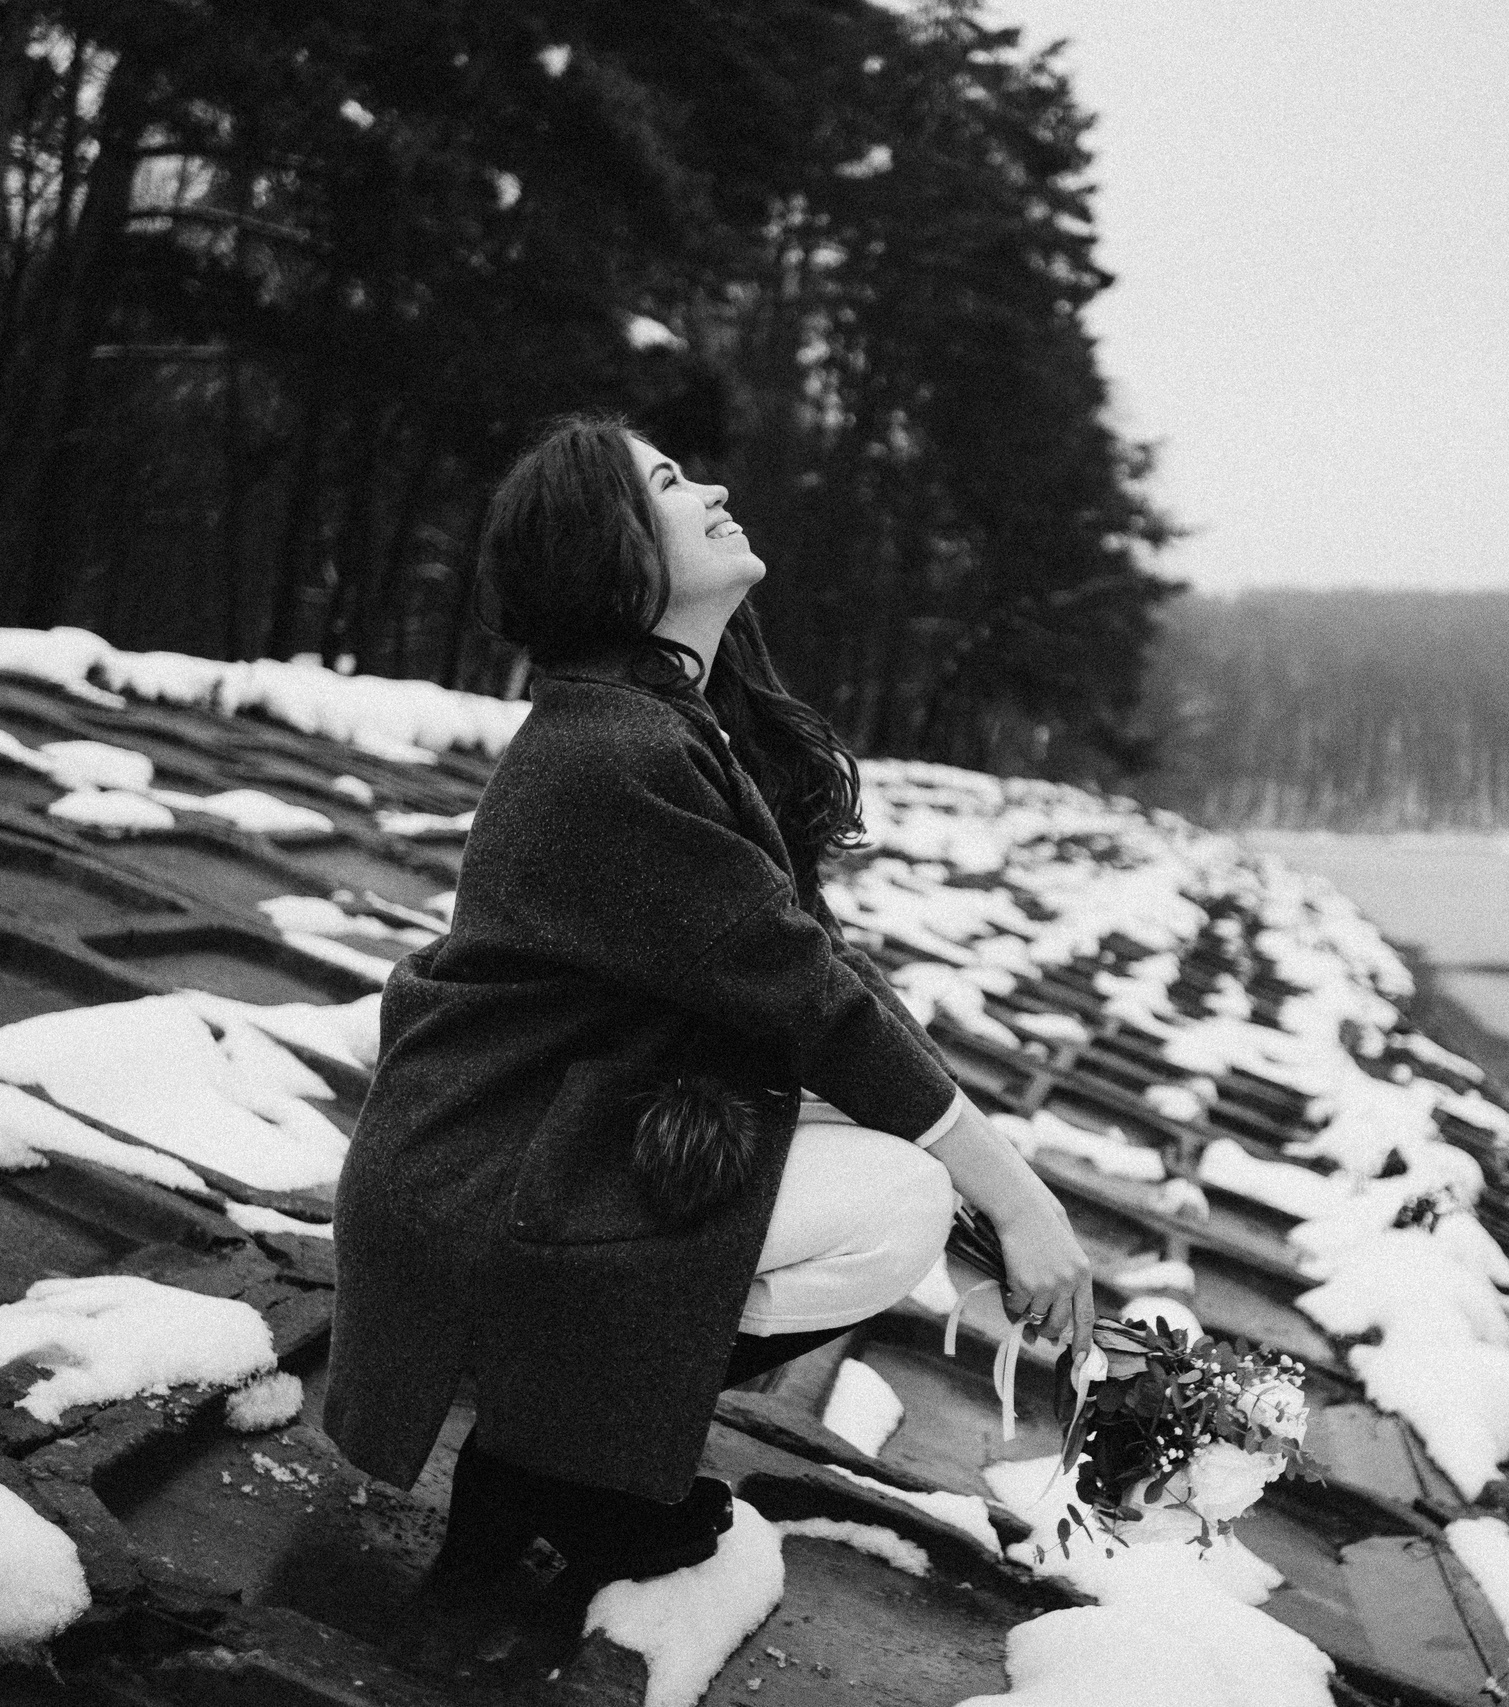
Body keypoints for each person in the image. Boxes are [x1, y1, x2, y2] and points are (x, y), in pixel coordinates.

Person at [322, 412, 1095, 1656]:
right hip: (487, 1172)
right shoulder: (613, 750)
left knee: (880, 1170)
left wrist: (990, 1177)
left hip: (535, 1138)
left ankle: (583, 1475)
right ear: (612, 552)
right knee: (896, 1198)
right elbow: (816, 1002)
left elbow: (813, 978)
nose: (718, 486)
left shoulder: (652, 722)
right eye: (673, 483)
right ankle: (541, 1495)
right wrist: (1019, 1202)